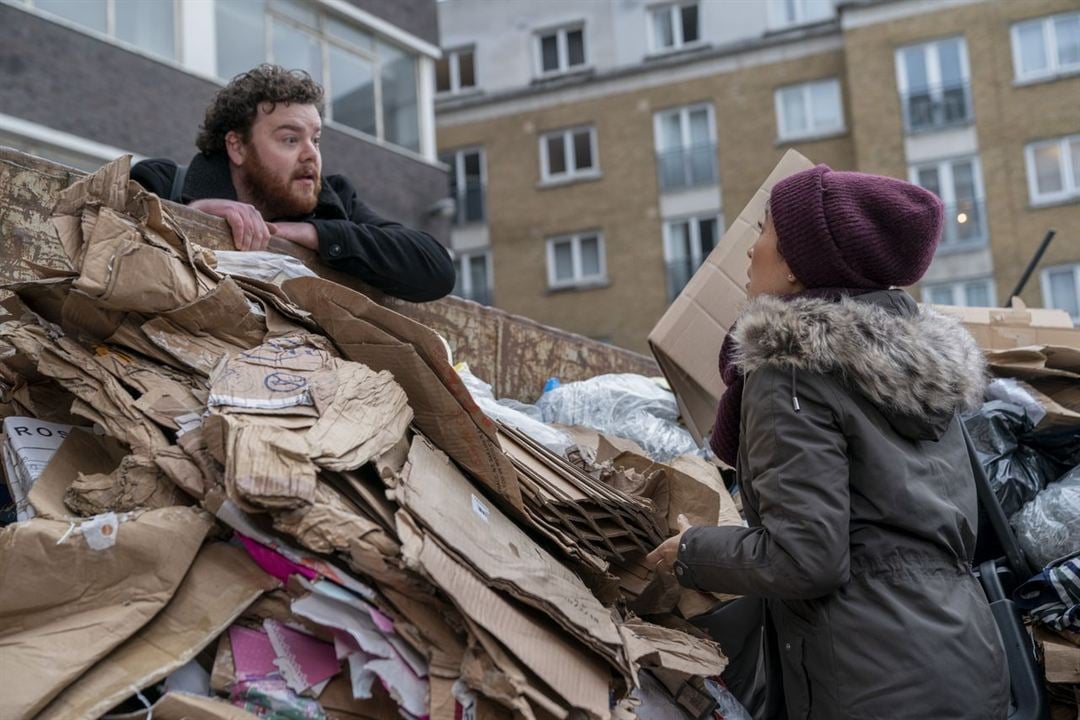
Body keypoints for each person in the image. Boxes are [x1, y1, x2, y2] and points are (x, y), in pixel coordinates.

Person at [646, 165, 1008, 719]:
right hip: (966, 664)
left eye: (764, 231)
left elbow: (806, 558)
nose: (750, 252)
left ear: (798, 265)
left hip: (873, 684)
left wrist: (691, 552)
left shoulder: (790, 368)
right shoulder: (916, 371)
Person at [132, 64, 455, 303]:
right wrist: (193, 215)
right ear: (238, 146)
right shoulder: (162, 182)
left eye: (315, 139)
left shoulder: (336, 203)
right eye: (290, 139)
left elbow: (436, 270)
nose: (311, 155)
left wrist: (318, 235)